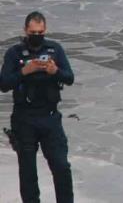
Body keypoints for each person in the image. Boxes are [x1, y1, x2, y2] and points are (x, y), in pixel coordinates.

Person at [0, 11, 74, 203]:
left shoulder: (54, 49)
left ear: (45, 30)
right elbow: (4, 84)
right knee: (28, 172)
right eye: (33, 32)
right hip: (24, 118)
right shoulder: (14, 53)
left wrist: (55, 71)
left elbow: (69, 77)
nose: (37, 36)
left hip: (49, 117)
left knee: (61, 166)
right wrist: (25, 71)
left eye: (40, 32)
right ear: (25, 30)